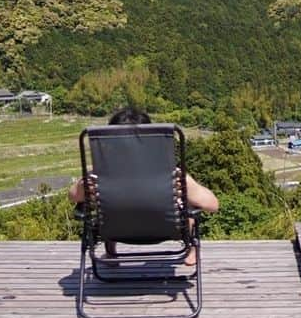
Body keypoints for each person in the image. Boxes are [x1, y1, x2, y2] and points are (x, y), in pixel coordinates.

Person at [69, 107, 218, 265]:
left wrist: (84, 186)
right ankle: (192, 249)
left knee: (105, 200)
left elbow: (72, 196)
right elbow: (212, 205)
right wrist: (186, 189)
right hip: (167, 229)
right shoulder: (170, 175)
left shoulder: (99, 176)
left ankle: (110, 250)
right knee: (187, 202)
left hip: (114, 230)